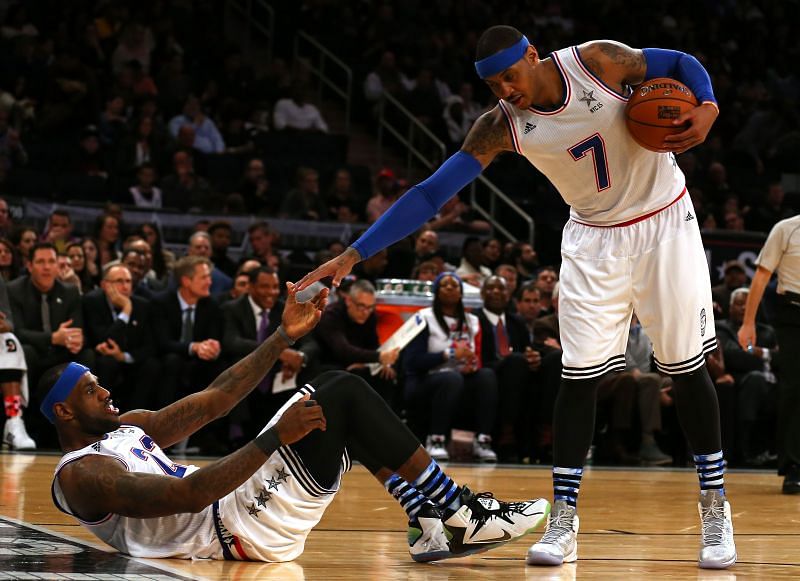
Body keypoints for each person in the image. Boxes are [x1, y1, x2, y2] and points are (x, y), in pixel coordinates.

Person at [298, 25, 735, 569]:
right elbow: (431, 192)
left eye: (510, 75)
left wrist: (709, 106)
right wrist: (352, 254)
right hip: (591, 240)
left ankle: (715, 509)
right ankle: (565, 519)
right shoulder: (499, 127)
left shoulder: (598, 62)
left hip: (665, 222)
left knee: (685, 367)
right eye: (492, 84)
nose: (505, 89)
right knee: (578, 377)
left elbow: (679, 59)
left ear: (533, 55)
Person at [43, 283, 549, 563]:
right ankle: (461, 510)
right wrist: (271, 440)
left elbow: (218, 398)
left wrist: (282, 335)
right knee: (342, 391)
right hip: (231, 530)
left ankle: (430, 521)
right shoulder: (80, 475)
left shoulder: (127, 426)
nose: (106, 390)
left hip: (234, 511)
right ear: (63, 411)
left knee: (337, 404)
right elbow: (186, 497)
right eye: (91, 389)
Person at [737, 215, 800, 494]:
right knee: (795, 388)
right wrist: (748, 322)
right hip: (793, 313)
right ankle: (794, 467)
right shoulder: (786, 229)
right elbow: (762, 276)